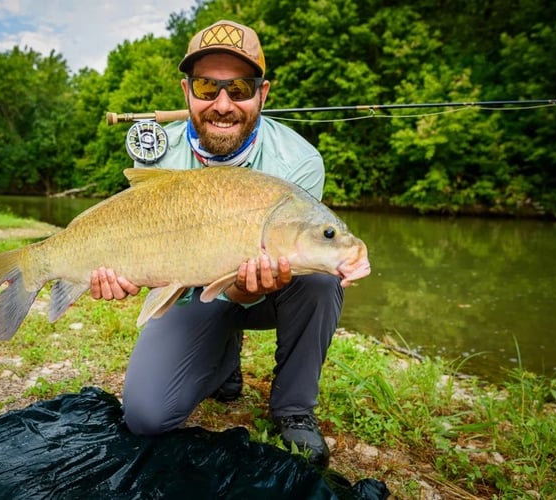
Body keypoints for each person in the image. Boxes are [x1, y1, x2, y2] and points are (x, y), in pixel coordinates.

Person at [89, 20, 361, 467]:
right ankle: (221, 358)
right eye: (206, 86)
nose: (222, 103)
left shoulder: (299, 162)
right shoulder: (157, 150)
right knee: (145, 416)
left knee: (319, 277)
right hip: (192, 292)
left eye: (238, 88)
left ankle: (293, 409)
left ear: (263, 93)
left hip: (276, 287)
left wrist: (250, 286)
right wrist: (123, 273)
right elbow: (143, 246)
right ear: (186, 92)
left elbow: (308, 248)